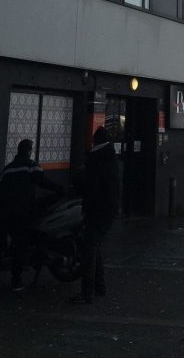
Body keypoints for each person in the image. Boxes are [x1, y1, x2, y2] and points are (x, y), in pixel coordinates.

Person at [0, 138, 62, 293]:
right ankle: (16, 280)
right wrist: (60, 190)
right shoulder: (31, 167)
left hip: (2, 212)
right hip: (20, 212)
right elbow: (43, 181)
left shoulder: (8, 169)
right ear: (28, 151)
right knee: (19, 246)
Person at [69, 126, 119, 304]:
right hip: (108, 208)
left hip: (97, 209)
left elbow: (89, 184)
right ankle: (99, 286)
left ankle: (87, 292)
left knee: (89, 248)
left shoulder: (95, 159)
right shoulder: (110, 157)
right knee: (94, 246)